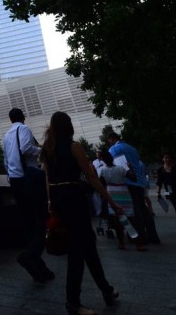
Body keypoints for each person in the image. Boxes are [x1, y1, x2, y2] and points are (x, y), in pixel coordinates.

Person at [41, 112, 121, 315]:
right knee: (78, 251)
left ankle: (106, 290)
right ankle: (73, 303)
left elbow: (48, 179)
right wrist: (110, 200)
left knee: (88, 248)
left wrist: (51, 203)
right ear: (69, 126)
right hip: (74, 199)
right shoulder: (74, 146)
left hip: (59, 199)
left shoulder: (47, 149)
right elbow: (91, 176)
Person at [3, 107, 53, 283]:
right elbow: (25, 149)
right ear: (23, 117)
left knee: (28, 222)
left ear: (10, 120)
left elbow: (6, 161)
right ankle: (30, 256)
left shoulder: (7, 135)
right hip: (29, 178)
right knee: (41, 219)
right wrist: (41, 150)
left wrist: (10, 177)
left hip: (15, 180)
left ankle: (39, 266)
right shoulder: (23, 129)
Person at [106, 132, 160, 245]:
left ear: (111, 139)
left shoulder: (114, 149)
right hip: (139, 182)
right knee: (143, 209)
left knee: (133, 211)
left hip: (128, 182)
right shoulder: (132, 148)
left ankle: (139, 237)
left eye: (109, 140)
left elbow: (119, 166)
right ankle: (153, 235)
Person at [98, 150, 135, 250]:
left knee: (116, 218)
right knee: (129, 217)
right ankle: (135, 241)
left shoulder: (102, 170)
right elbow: (133, 178)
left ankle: (121, 243)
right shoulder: (121, 168)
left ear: (103, 160)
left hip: (112, 194)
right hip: (124, 192)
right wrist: (130, 167)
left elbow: (101, 184)